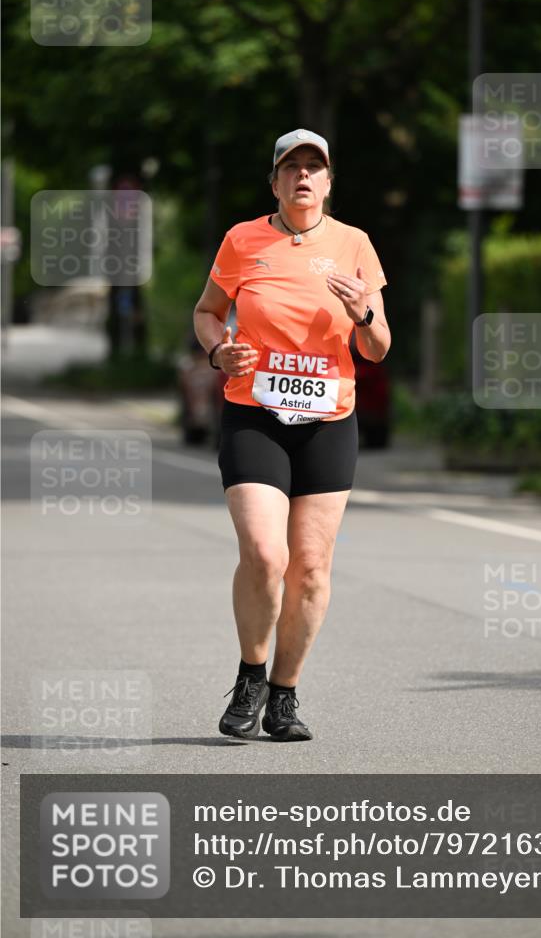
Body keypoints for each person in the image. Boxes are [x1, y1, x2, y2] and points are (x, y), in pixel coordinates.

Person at [193, 129, 391, 742]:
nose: (303, 176)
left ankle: (284, 694)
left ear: (329, 183)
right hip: (255, 413)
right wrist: (217, 350)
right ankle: (252, 673)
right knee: (265, 554)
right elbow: (205, 313)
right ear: (275, 182)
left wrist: (364, 312)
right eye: (292, 167)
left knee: (309, 569)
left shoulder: (355, 245)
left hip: (329, 421)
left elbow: (378, 348)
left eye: (315, 168)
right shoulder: (242, 240)